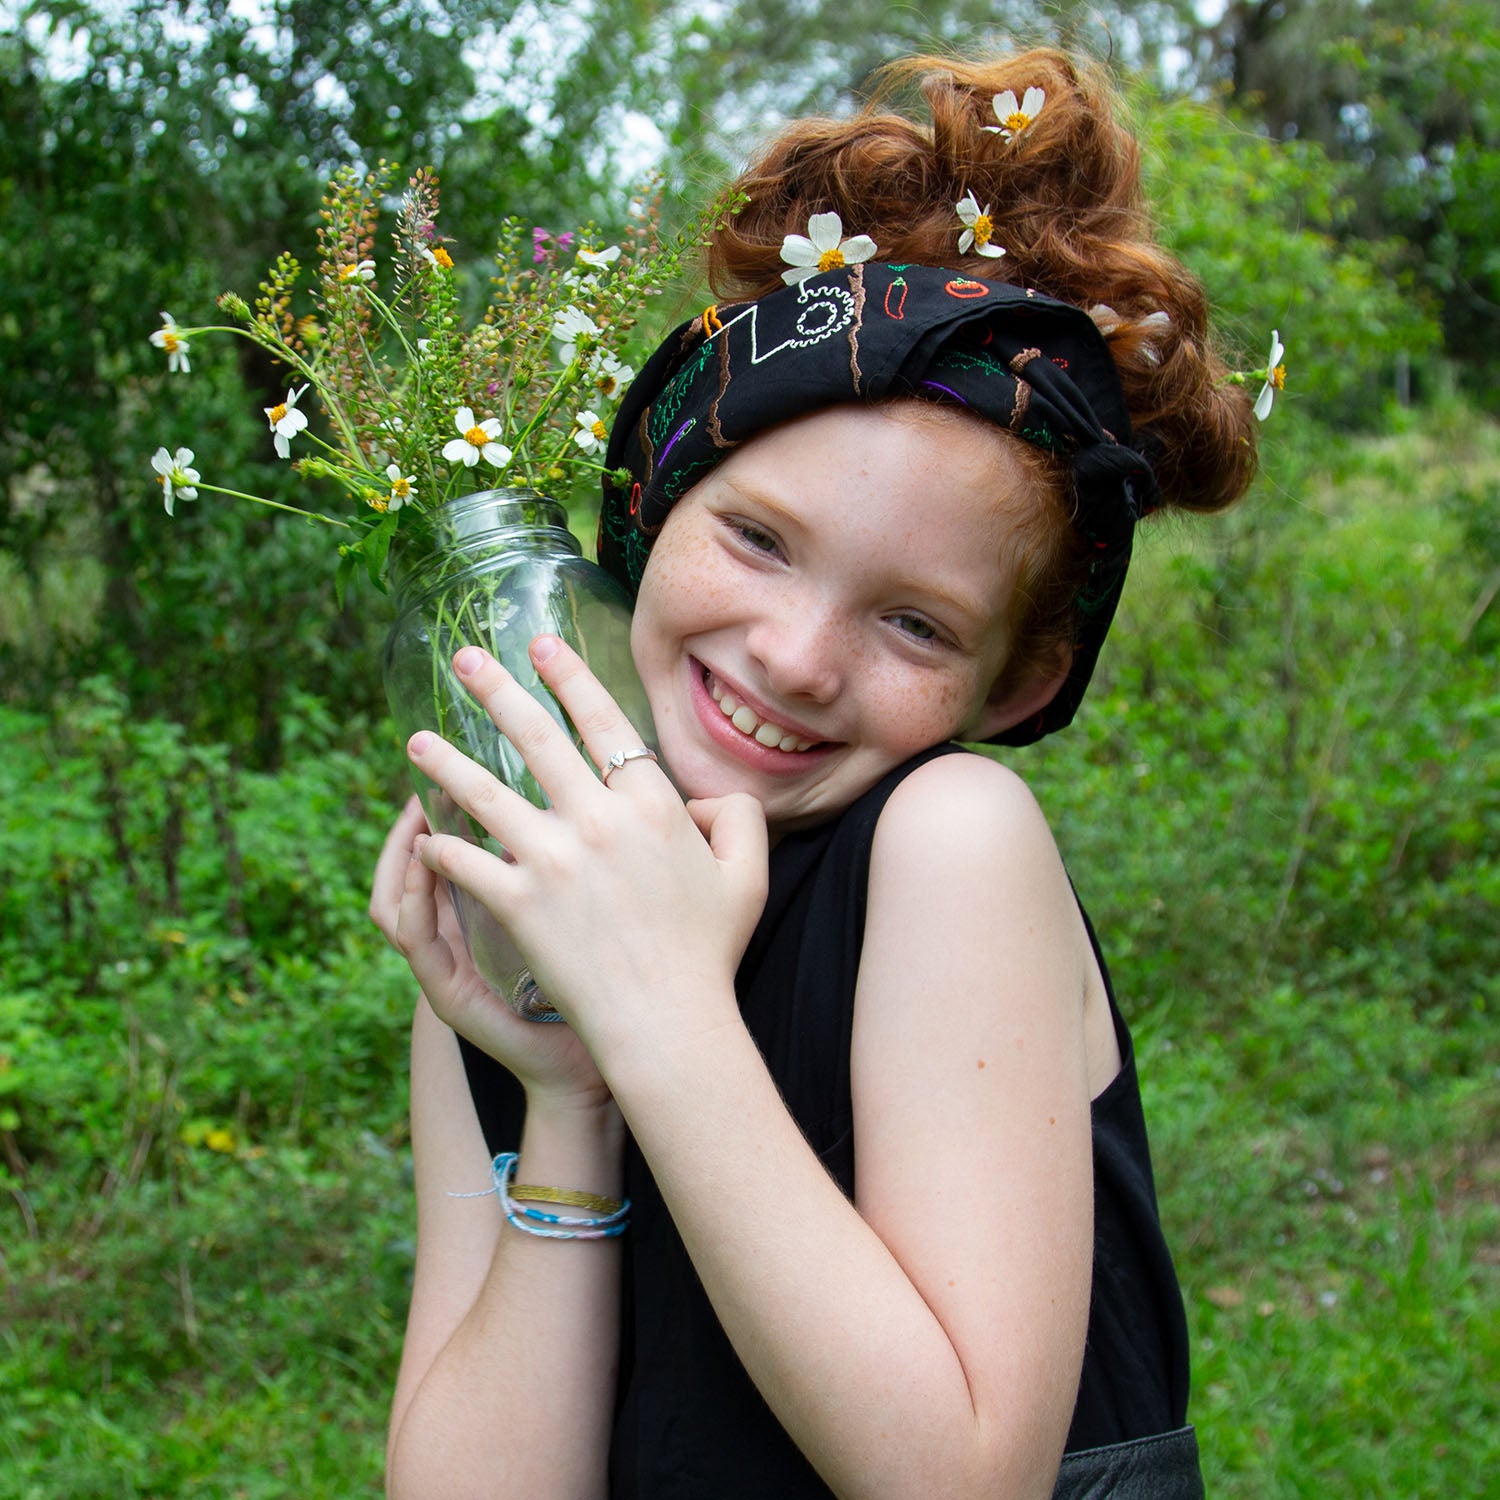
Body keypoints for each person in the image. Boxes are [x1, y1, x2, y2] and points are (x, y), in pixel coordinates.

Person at [369, 46, 1257, 1500]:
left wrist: (656, 1011)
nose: (793, 658)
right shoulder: (532, 896)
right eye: (760, 540)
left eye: (913, 622)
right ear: (652, 500)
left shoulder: (948, 846)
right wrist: (576, 1094)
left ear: (1017, 682)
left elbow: (962, 1477)